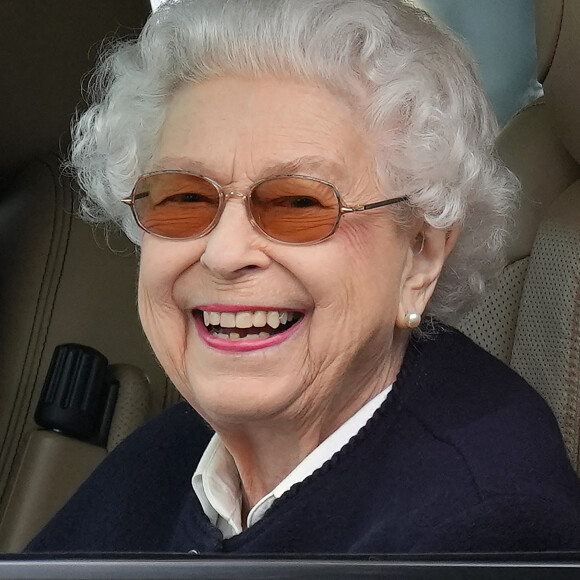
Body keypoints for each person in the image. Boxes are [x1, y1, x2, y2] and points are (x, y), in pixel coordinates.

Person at [27, 0, 580, 553]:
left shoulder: (486, 532)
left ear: (420, 257)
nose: (223, 254)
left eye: (297, 203)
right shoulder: (174, 453)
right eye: (185, 198)